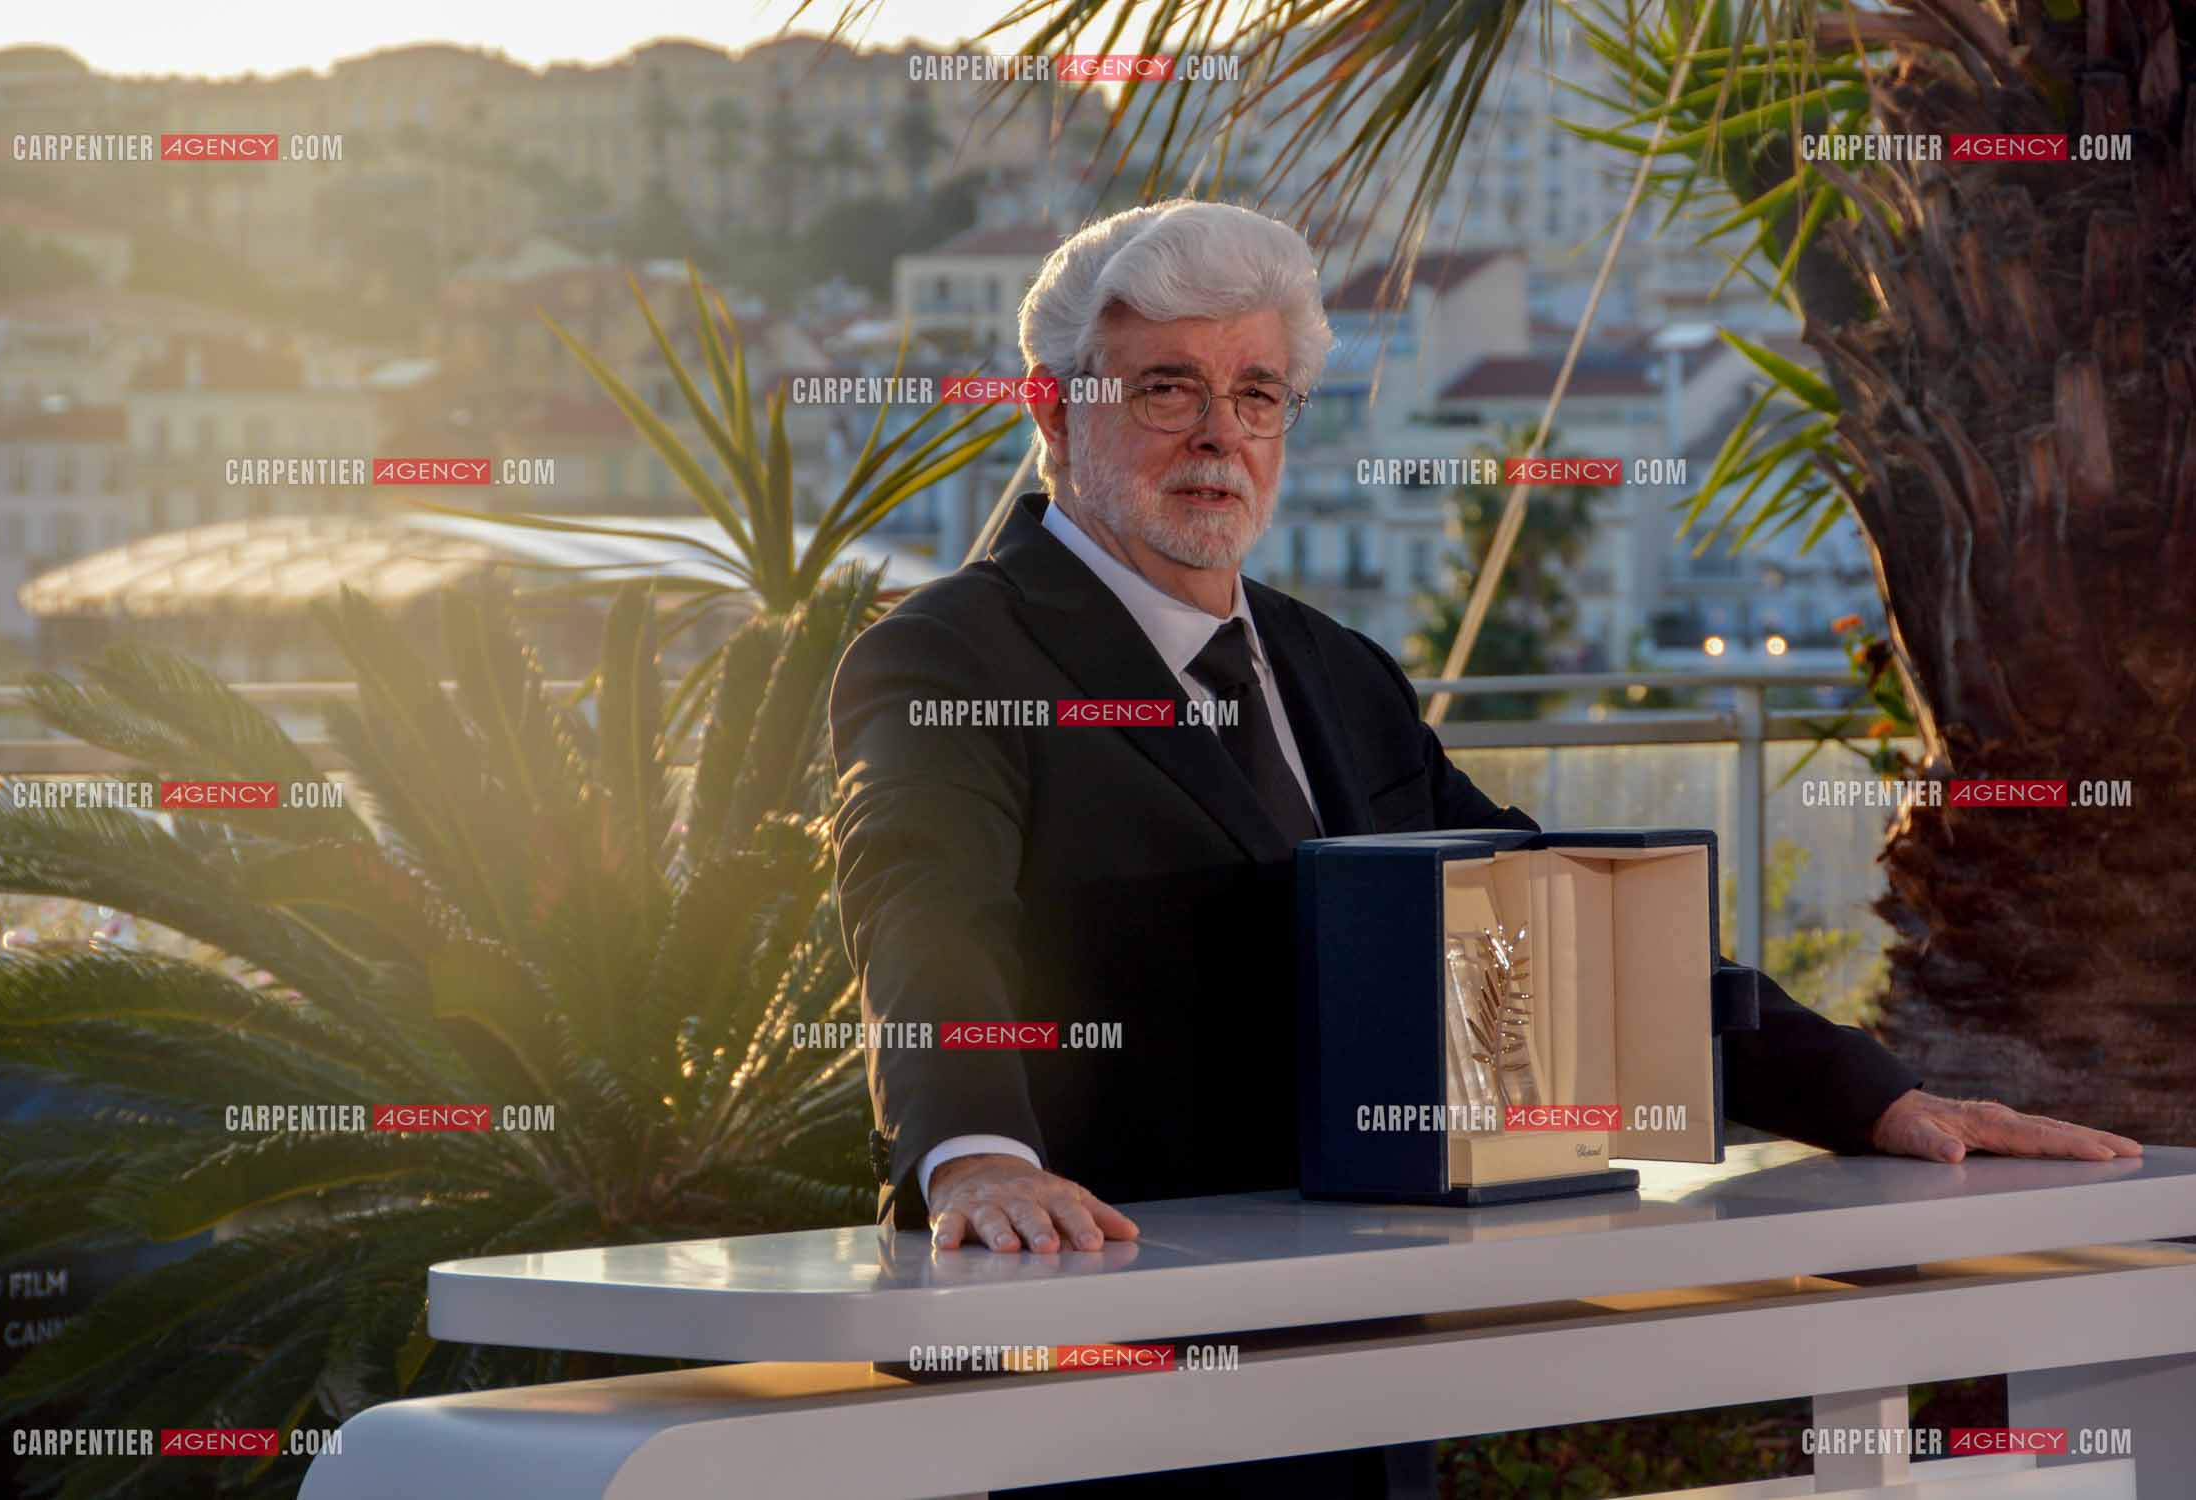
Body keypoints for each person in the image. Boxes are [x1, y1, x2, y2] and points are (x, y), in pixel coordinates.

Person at [826, 199, 2141, 1498]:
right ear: (1055, 412)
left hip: (1364, 1361)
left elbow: (1550, 916)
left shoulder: (1338, 671)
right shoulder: (945, 657)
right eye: (1167, 388)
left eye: (1258, 393)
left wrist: (1867, 1095)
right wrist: (975, 1154)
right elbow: (922, 910)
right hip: (1093, 1365)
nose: (1220, 433)